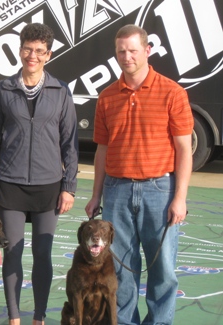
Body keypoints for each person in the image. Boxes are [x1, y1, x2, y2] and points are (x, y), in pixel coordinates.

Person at [85, 24, 194, 325]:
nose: (127, 56)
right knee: (120, 269)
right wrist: (96, 195)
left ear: (147, 50)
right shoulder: (107, 97)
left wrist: (180, 198)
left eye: (133, 50)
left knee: (163, 270)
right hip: (117, 191)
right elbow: (102, 151)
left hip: (160, 190)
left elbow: (184, 150)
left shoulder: (172, 92)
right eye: (121, 51)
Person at [0, 23, 79, 325]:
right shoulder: (3, 89)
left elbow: (70, 143)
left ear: (48, 54)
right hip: (9, 186)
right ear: (20, 50)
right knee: (11, 254)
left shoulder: (61, 91)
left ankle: (38, 317)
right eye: (27, 49)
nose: (32, 56)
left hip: (49, 186)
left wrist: (69, 187)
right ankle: (14, 318)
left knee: (42, 255)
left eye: (39, 51)